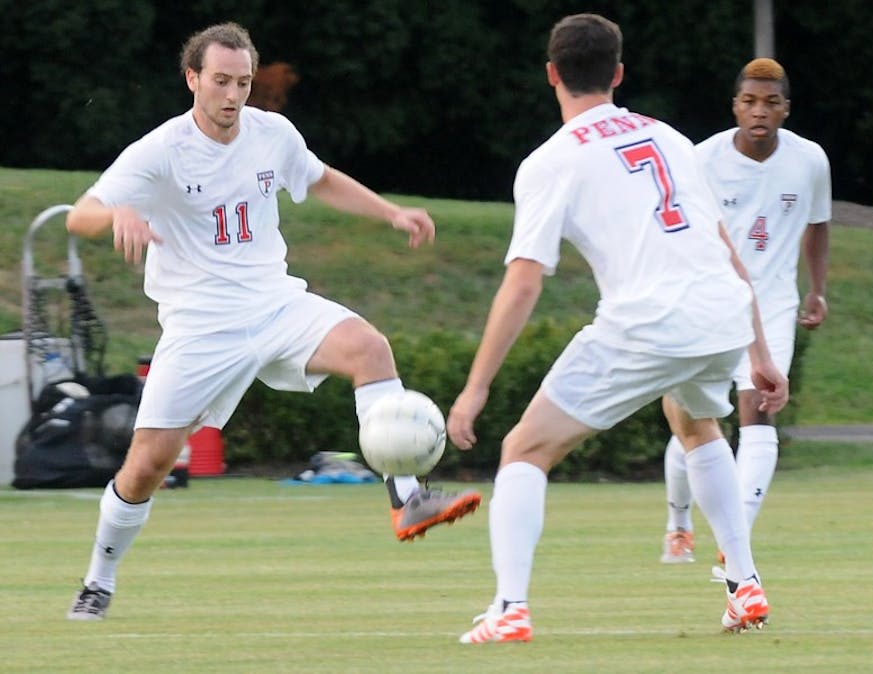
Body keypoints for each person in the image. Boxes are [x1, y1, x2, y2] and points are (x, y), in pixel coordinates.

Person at [64, 22, 480, 621]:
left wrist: (390, 213)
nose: (233, 95)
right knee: (147, 465)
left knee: (368, 347)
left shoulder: (272, 133)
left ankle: (407, 501)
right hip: (201, 326)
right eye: (220, 81)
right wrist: (118, 215)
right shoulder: (159, 151)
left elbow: (320, 178)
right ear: (192, 79)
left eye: (243, 82)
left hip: (276, 304)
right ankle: (98, 580)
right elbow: (82, 215)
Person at [446, 13, 788, 643]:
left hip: (649, 322)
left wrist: (475, 389)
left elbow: (524, 282)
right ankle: (745, 586)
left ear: (552, 75)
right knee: (696, 422)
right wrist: (760, 350)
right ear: (619, 73)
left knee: (524, 448)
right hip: (719, 315)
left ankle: (509, 608)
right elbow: (724, 245)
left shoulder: (550, 161)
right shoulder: (671, 137)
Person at [660, 57, 831, 566]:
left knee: (758, 410)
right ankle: (678, 524)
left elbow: (818, 224)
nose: (760, 112)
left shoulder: (810, 160)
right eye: (750, 101)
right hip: (708, 299)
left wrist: (817, 289)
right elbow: (677, 229)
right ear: (735, 106)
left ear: (786, 109)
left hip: (774, 304)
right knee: (695, 418)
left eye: (771, 102)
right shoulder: (702, 158)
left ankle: (735, 544)